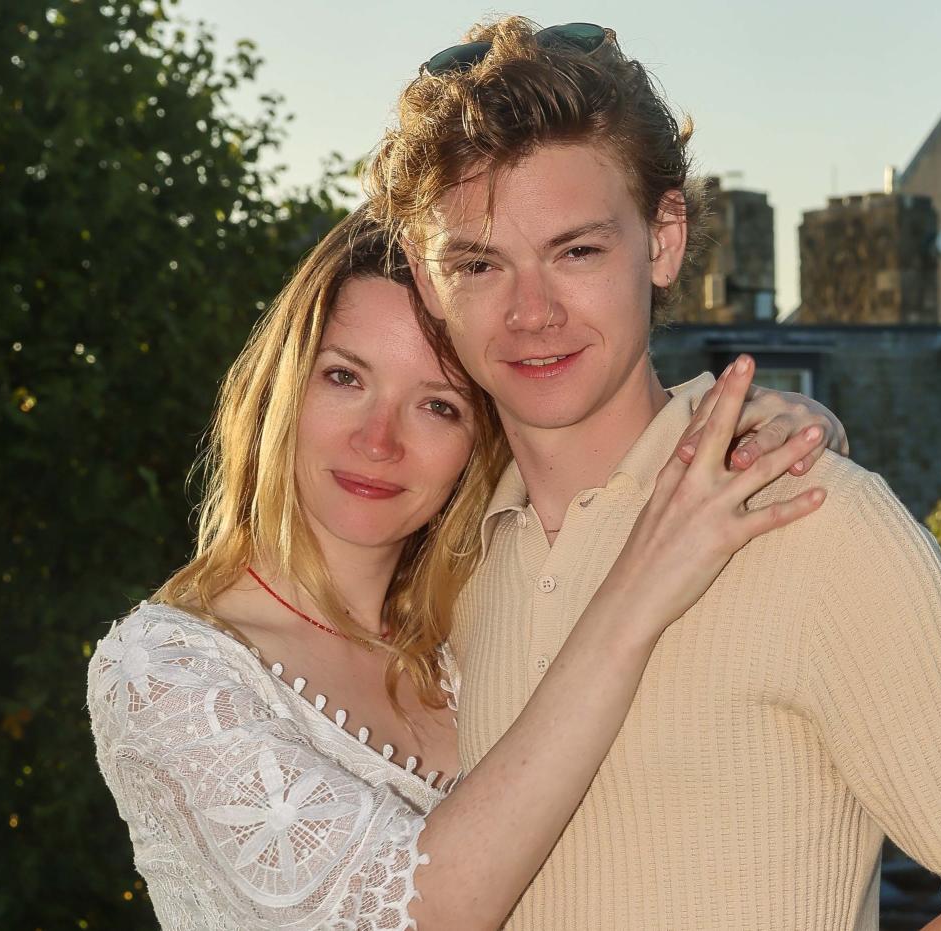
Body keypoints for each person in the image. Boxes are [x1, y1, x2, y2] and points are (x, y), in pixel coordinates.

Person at [364, 17, 941, 930]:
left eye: (576, 251)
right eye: (478, 264)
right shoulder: (450, 562)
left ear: (663, 240)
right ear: (429, 284)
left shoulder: (817, 519)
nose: (531, 313)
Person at [87, 209, 844, 929]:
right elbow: (421, 913)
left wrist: (760, 428)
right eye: (345, 377)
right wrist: (636, 596)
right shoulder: (165, 668)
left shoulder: (481, 622)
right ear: (282, 383)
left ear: (478, 441)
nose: (377, 440)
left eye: (439, 406)